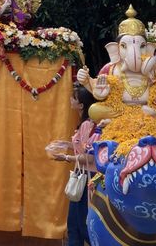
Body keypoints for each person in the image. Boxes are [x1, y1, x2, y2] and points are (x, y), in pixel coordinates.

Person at [51, 85, 106, 246]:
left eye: (73, 98)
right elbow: (83, 147)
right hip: (86, 176)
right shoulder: (87, 123)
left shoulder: (88, 125)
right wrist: (66, 144)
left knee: (80, 224)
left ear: (81, 105)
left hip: (87, 177)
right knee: (76, 223)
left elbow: (89, 157)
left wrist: (66, 157)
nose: (70, 100)